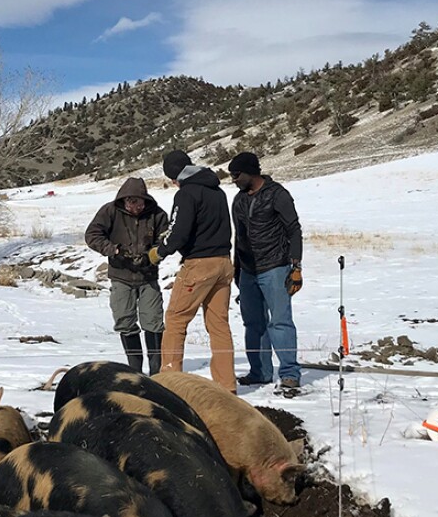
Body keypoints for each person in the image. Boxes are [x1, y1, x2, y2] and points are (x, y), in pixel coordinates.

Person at [147, 149, 236, 392]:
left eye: (171, 179)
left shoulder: (187, 193)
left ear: (175, 175)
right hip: (224, 263)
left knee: (176, 320)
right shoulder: (216, 190)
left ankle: (170, 383)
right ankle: (227, 386)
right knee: (219, 325)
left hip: (199, 264)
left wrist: (159, 252)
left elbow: (178, 232)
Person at [228, 150, 303, 396]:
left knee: (280, 321)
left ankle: (290, 374)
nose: (234, 179)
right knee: (253, 323)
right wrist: (236, 270)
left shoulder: (277, 195)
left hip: (275, 266)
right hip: (248, 270)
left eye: (236, 174)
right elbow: (238, 236)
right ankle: (259, 372)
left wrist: (296, 266)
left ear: (251, 172)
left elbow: (293, 229)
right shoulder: (238, 200)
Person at [85, 177, 169, 374]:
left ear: (145, 200)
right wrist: (114, 250)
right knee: (124, 320)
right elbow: (92, 235)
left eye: (139, 202)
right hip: (120, 275)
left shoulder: (157, 214)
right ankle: (135, 370)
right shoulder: (109, 211)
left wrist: (153, 255)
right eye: (131, 202)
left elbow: (165, 239)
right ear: (123, 200)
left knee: (154, 321)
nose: (135, 207)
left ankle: (156, 371)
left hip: (148, 276)